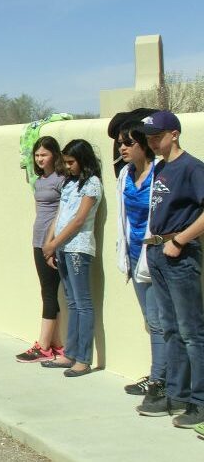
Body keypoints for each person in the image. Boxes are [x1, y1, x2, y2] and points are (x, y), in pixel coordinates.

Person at [130, 110, 204, 430]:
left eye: (156, 135)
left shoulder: (192, 168)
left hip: (180, 253)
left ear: (174, 134)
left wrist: (181, 241)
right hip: (158, 251)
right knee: (170, 329)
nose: (151, 141)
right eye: (149, 136)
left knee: (191, 332)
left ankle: (199, 402)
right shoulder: (161, 167)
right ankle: (176, 394)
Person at [112, 120, 165, 403]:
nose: (122, 148)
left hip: (155, 256)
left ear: (144, 145)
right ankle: (159, 375)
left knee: (160, 322)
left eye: (128, 143)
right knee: (151, 320)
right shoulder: (125, 175)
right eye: (120, 143)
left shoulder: (161, 173)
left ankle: (160, 379)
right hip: (134, 256)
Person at [40, 139, 102, 377]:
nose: (67, 166)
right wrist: (50, 244)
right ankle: (70, 353)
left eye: (71, 162)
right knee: (72, 303)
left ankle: (83, 359)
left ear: (83, 160)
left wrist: (55, 243)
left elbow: (78, 220)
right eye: (65, 162)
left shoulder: (92, 184)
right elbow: (60, 214)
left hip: (78, 248)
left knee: (83, 303)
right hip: (63, 249)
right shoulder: (69, 183)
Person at [16, 136, 66, 363]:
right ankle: (56, 344)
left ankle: (44, 346)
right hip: (37, 241)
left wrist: (52, 243)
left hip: (52, 243)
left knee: (49, 292)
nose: (39, 159)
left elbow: (64, 211)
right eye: (37, 155)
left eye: (44, 154)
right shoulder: (39, 181)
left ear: (54, 155)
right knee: (47, 290)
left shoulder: (61, 179)